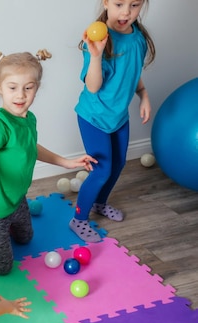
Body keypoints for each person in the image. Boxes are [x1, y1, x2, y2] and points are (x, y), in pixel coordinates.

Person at [0, 50, 97, 276]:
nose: (20, 95)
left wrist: (65, 163)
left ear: (36, 88)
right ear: (0, 87)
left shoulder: (29, 118)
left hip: (17, 199)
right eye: (12, 88)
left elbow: (31, 147)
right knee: (2, 268)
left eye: (28, 87)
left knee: (26, 239)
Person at [70, 0, 156, 242]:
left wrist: (144, 95)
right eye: (119, 3)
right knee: (101, 170)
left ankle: (99, 203)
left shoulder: (137, 36)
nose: (126, 12)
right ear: (106, 2)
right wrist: (95, 55)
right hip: (94, 117)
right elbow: (93, 86)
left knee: (118, 165)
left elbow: (132, 72)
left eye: (135, 5)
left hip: (118, 117)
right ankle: (78, 219)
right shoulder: (98, 40)